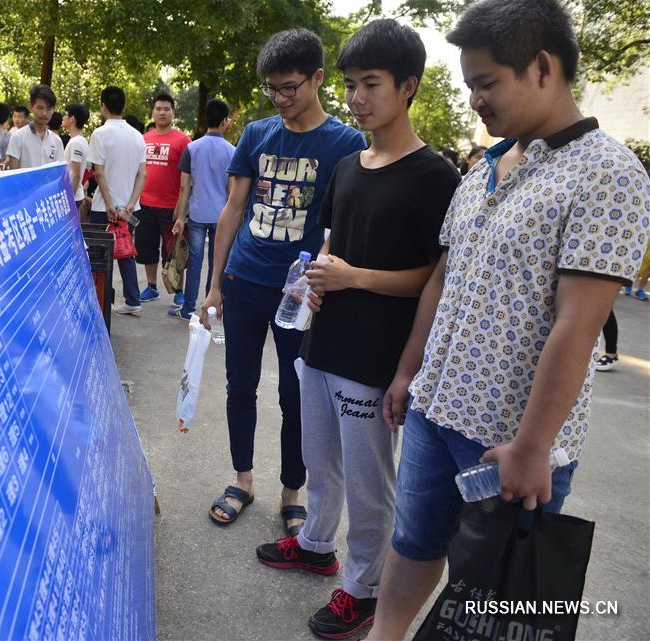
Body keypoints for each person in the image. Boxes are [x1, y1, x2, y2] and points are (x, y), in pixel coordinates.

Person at [367, 1, 650, 639]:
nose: (474, 100)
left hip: (508, 438)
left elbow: (578, 326)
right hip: (437, 411)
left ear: (543, 67)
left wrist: (532, 446)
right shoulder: (484, 169)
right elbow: (443, 277)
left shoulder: (608, 175)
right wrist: (408, 371)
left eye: (486, 82)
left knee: (492, 595)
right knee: (413, 540)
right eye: (468, 84)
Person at [253, 21, 460, 640]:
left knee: (372, 481)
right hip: (324, 338)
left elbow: (434, 277)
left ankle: (363, 587)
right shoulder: (347, 166)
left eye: (371, 83)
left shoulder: (435, 176)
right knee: (321, 460)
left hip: (376, 356)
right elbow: (333, 247)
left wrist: (354, 277)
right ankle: (316, 544)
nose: (357, 97)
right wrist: (313, 279)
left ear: (408, 86)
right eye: (349, 84)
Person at [198, 29, 367, 536]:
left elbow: (341, 226)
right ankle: (242, 480)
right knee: (239, 385)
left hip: (299, 292)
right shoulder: (255, 135)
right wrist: (213, 285)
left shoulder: (345, 143)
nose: (281, 97)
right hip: (245, 278)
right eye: (273, 88)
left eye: (290, 86)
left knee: (297, 397)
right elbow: (233, 209)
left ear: (317, 78)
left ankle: (292, 491)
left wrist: (321, 275)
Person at [169, 98, 236, 320]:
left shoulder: (191, 148)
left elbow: (183, 187)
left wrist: (180, 217)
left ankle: (188, 309)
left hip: (197, 213)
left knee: (195, 263)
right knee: (217, 264)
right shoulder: (232, 151)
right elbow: (231, 191)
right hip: (222, 215)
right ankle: (211, 307)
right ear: (225, 121)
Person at [87, 86, 147, 314]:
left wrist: (111, 205)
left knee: (99, 257)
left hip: (105, 208)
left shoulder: (99, 134)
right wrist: (131, 204)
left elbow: (98, 173)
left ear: (103, 106)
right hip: (131, 209)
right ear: (123, 106)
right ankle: (133, 299)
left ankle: (100, 300)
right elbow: (143, 174)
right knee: (125, 250)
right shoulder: (137, 136)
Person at [134, 93, 191, 307]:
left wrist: (181, 208)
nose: (162, 112)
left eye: (166, 109)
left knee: (174, 251)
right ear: (153, 112)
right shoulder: (143, 139)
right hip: (145, 204)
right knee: (147, 249)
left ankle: (179, 290)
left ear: (173, 112)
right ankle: (151, 287)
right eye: (158, 108)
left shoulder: (183, 141)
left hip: (171, 207)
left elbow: (188, 178)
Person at [5, 84, 64, 170]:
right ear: (31, 107)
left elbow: (58, 173)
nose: (44, 113)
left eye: (48, 109)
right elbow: (14, 174)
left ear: (53, 110)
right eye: (40, 108)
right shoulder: (18, 137)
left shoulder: (56, 141)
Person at [62, 103, 90, 210]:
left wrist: (69, 199)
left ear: (72, 118)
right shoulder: (80, 140)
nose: (63, 117)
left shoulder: (76, 142)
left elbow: (75, 173)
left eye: (65, 114)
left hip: (73, 195)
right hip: (75, 194)